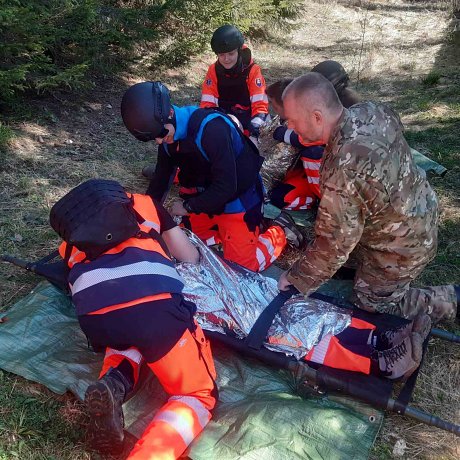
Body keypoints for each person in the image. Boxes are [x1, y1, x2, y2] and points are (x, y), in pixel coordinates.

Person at [49, 179, 218, 459]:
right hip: (155, 314)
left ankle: (114, 381)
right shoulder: (147, 204)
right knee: (197, 394)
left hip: (97, 321)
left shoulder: (70, 237)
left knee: (128, 332)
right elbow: (188, 256)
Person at [277, 73, 459, 324]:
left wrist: (297, 278)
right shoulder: (369, 110)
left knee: (369, 311)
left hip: (402, 245)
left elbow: (335, 242)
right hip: (417, 207)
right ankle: (358, 267)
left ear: (316, 117)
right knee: (341, 261)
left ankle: (450, 299)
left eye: (292, 120)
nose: (289, 127)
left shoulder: (344, 167)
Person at [121, 81, 303, 272]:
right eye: (154, 138)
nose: (159, 140)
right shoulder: (168, 139)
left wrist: (188, 207)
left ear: (171, 114)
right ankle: (221, 232)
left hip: (238, 200)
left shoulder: (212, 129)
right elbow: (159, 183)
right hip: (205, 199)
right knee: (183, 246)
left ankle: (280, 231)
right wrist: (146, 221)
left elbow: (227, 187)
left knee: (242, 269)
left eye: (160, 134)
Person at [200, 24, 270, 141]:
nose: (226, 59)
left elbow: (260, 106)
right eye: (221, 55)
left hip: (250, 122)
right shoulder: (213, 70)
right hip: (225, 121)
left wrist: (255, 128)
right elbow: (207, 106)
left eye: (231, 54)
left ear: (239, 50)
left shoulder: (252, 70)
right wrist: (227, 120)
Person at [266, 78, 324, 211]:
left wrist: (281, 133)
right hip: (302, 173)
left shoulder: (314, 118)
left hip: (325, 175)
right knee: (277, 196)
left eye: (273, 104)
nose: (272, 108)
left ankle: (323, 200)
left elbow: (306, 139)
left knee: (312, 153)